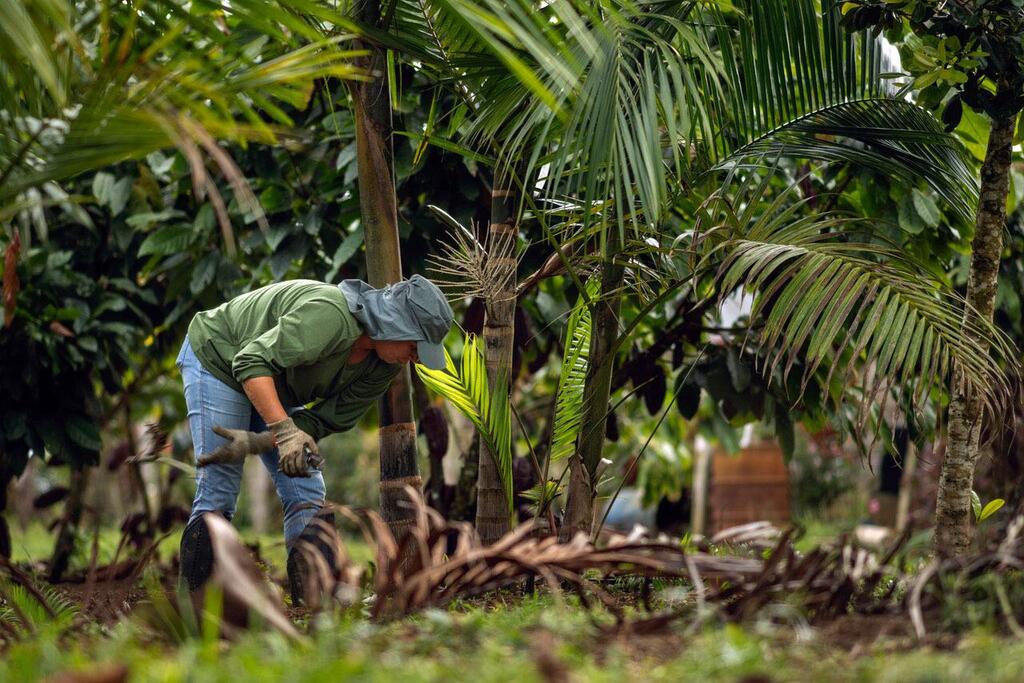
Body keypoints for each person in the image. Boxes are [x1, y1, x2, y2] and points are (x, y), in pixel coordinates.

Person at [175, 274, 453, 601]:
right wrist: (282, 430)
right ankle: (195, 604)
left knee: (306, 485)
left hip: (270, 382)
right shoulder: (330, 316)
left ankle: (314, 598)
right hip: (219, 359)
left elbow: (318, 421)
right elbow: (249, 361)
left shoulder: (385, 367)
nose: (417, 356)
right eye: (415, 345)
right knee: (220, 487)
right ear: (397, 325)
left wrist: (267, 440)